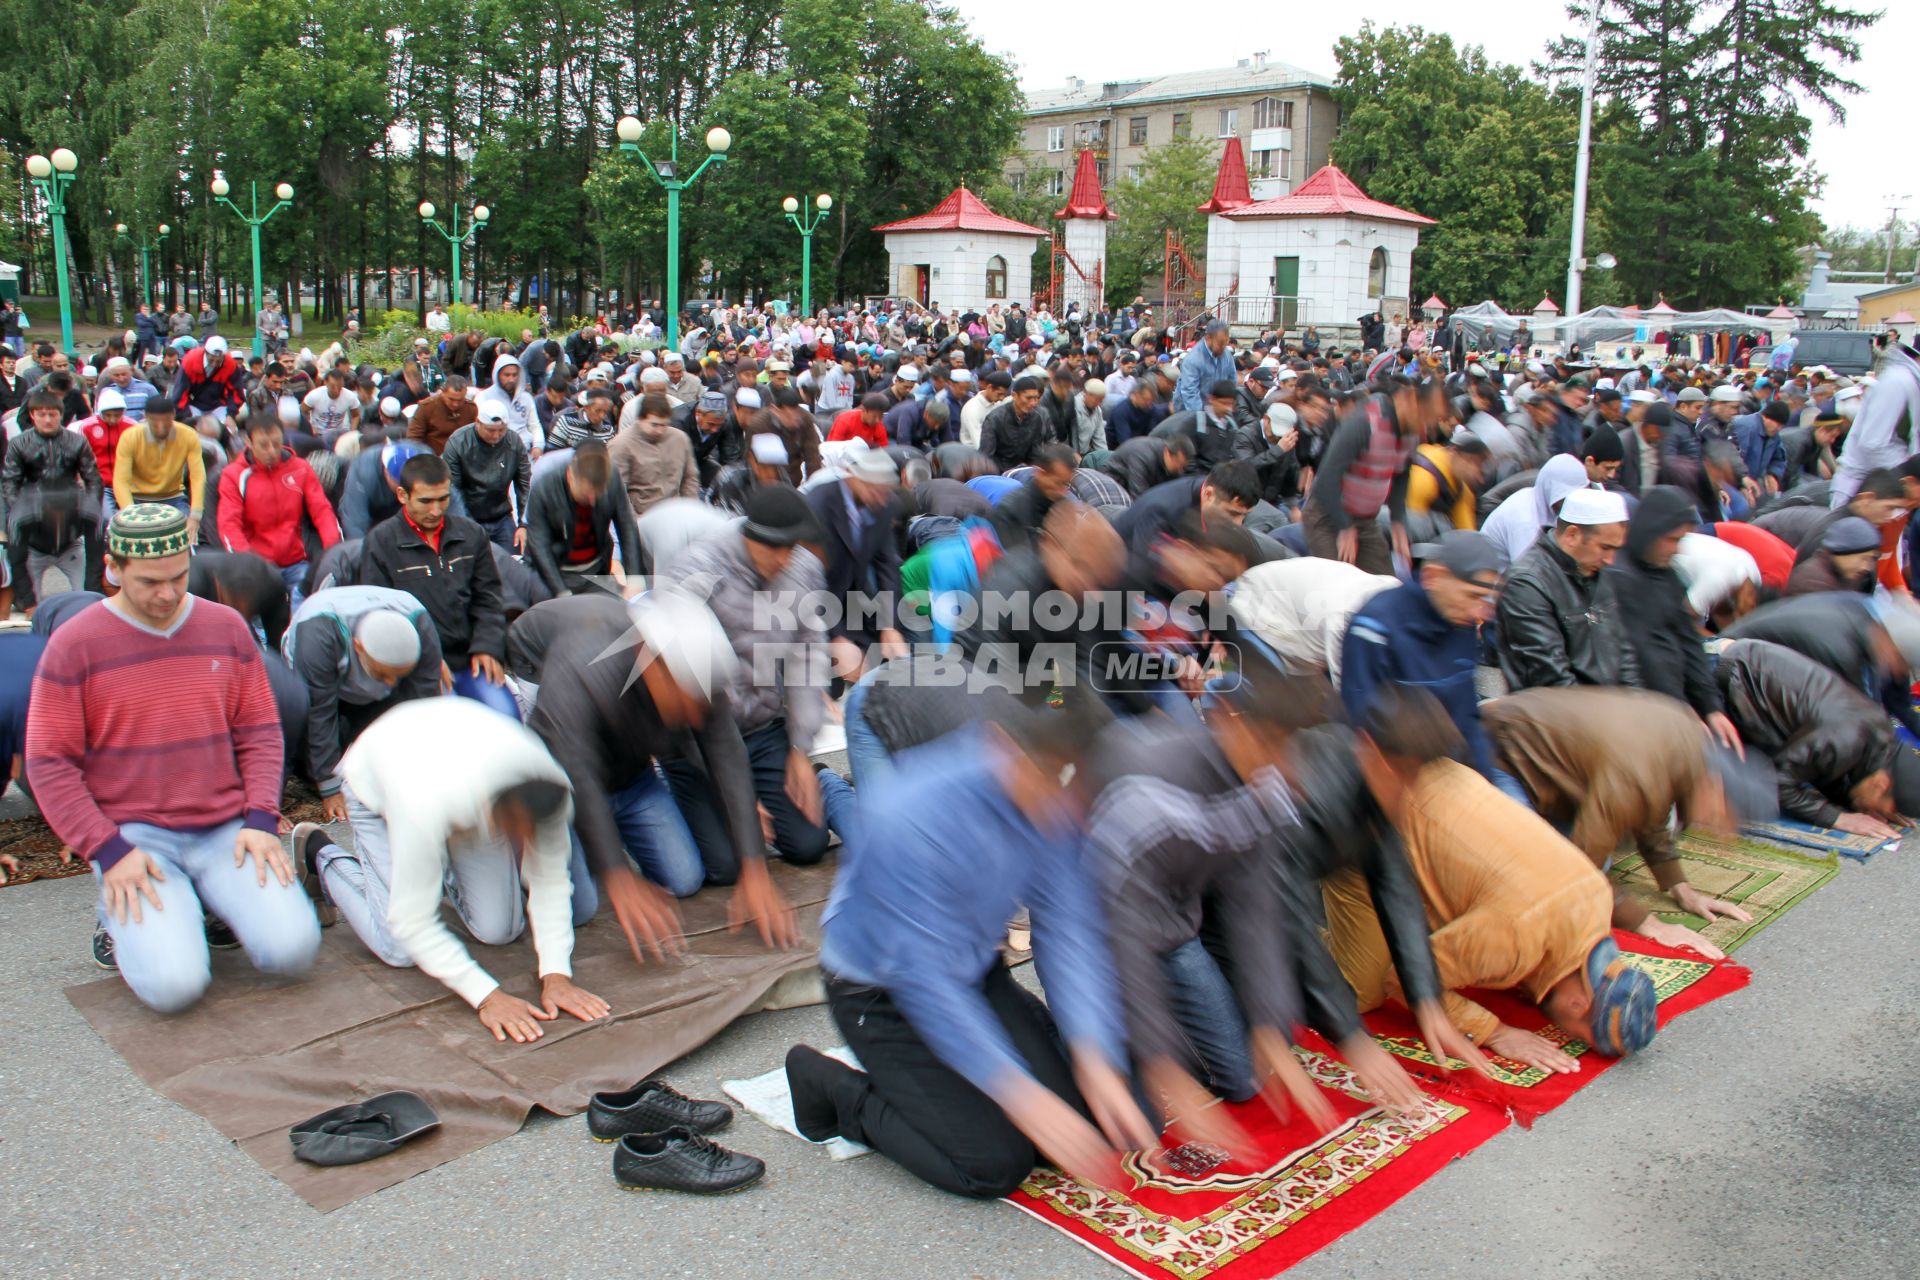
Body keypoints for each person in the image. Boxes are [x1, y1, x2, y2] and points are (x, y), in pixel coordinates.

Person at [784, 697, 1157, 1199]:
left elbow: (1070, 927)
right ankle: (833, 1088)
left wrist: (1092, 1050)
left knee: (1084, 1122)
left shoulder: (1054, 796)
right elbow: (925, 982)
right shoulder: (910, 814)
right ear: (1003, 746)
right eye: (1050, 780)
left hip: (974, 969)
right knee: (993, 1164)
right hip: (881, 991)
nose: (1061, 808)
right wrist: (1017, 1092)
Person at [25, 504, 320, 1010]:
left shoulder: (225, 627)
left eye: (178, 577)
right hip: (133, 835)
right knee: (173, 988)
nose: (166, 594)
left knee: (293, 951)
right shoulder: (75, 644)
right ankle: (124, 921)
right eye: (149, 582)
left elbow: (260, 731)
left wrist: (259, 816)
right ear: (113, 569)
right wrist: (106, 849)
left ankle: (203, 901)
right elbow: (49, 762)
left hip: (224, 826)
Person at [1323, 689, 1658, 1073]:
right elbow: (1406, 979)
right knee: (1362, 993)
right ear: (1578, 1006)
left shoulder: (1597, 897)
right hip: (1381, 812)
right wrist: (1494, 1031)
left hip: (1443, 777)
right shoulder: (1514, 937)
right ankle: (1303, 940)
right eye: (1577, 1034)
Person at [1080, 685, 1334, 1143]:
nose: (1277, 761)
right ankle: (1081, 1033)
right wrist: (1159, 1058)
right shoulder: (1149, 780)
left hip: (1175, 932)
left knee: (1244, 1075)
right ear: (1228, 719)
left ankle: (1134, 1035)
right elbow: (1125, 927)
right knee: (1139, 1121)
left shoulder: (1266, 786)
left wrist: (1267, 1024)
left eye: (1287, 748)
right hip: (1092, 935)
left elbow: (1255, 911)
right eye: (1269, 742)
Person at [301, 698, 607, 1043]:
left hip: (460, 766)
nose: (525, 846)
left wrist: (556, 975)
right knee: (399, 948)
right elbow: (411, 921)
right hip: (379, 777)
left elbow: (550, 880)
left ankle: (432, 867)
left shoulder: (550, 787)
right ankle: (322, 856)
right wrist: (487, 997)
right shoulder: (425, 804)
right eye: (519, 835)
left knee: (500, 929)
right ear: (501, 818)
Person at [525, 591, 798, 953]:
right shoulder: (582, 673)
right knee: (580, 908)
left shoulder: (696, 678)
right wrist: (618, 875)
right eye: (689, 701)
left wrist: (754, 867)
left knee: (685, 879)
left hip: (628, 772)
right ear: (651, 665)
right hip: (559, 774)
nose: (697, 717)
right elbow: (579, 774)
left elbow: (727, 756)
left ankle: (623, 819)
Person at [659, 487, 853, 877]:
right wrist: (735, 796)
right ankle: (668, 797)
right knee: (727, 866)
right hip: (702, 740)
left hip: (762, 728)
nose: (785, 560)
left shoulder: (802, 570)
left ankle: (821, 778)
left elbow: (806, 660)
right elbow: (679, 690)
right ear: (749, 536)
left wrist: (799, 749)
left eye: (792, 548)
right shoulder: (696, 571)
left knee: (808, 844)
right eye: (775, 549)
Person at [1481, 688, 1751, 960]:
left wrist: (1680, 887)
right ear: (1714, 789)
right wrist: (1648, 924)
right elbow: (1581, 865)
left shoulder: (1688, 750)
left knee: (1593, 864)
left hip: (1547, 755)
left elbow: (1652, 808)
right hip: (1499, 750)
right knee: (1543, 879)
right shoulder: (1640, 774)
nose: (1719, 831)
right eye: (1721, 820)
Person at [360, 452, 515, 720]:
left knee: (506, 719)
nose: (435, 510)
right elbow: (382, 615)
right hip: (416, 666)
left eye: (443, 499)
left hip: (470, 658)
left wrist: (488, 646)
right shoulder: (381, 542)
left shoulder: (470, 534)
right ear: (402, 495)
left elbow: (488, 596)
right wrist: (424, 660)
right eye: (425, 501)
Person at [1341, 531, 1505, 778]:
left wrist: (1486, 781)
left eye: (1484, 599)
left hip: (1453, 768)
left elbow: (1467, 716)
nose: (1478, 612)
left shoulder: (1461, 621)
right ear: (1433, 576)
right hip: (1395, 775)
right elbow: (1363, 726)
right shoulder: (1375, 627)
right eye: (1472, 595)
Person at [1714, 639, 1908, 840]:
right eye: (1881, 806)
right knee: (1743, 789)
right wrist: (1837, 818)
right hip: (1726, 674)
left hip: (1750, 664)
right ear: (1882, 784)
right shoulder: (1841, 739)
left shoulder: (1880, 735)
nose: (1877, 813)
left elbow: (1828, 769)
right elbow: (1777, 779)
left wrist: (1856, 803)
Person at [282, 585, 443, 820]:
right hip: (322, 685)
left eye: (398, 675)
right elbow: (320, 713)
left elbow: (425, 703)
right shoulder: (318, 635)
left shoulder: (420, 623)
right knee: (331, 748)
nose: (389, 682)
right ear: (359, 647)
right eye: (383, 674)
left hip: (366, 677)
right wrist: (330, 788)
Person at [1610, 486, 1741, 749]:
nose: (1677, 549)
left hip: (1673, 702)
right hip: (1640, 708)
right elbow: (1646, 654)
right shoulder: (1620, 578)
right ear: (1651, 533)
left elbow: (1688, 641)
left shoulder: (1665, 575)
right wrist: (1680, 711)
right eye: (1672, 540)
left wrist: (1710, 706)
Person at [1496, 486, 1642, 691]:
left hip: (1608, 711)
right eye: (1605, 548)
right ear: (1572, 535)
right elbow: (1551, 677)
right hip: (1555, 717)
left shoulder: (1595, 570)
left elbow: (1624, 653)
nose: (1610, 560)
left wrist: (1637, 707)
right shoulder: (1527, 584)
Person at [214, 415, 340, 611]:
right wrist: (249, 564)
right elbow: (229, 525)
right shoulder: (235, 475)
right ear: (249, 442)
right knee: (257, 618)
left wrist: (332, 551)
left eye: (276, 443)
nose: (272, 451)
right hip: (257, 565)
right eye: (264, 445)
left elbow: (322, 511)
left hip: (296, 560)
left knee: (310, 609)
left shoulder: (300, 468)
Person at [1300, 375, 1424, 574]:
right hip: (1328, 515)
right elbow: (1327, 478)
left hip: (1365, 519)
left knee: (1384, 583)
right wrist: (1345, 527)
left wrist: (1398, 521)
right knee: (1339, 580)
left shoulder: (1411, 433)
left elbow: (1401, 477)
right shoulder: (1365, 422)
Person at [806, 448, 906, 673]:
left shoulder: (884, 505)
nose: (881, 499)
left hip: (854, 597)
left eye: (886, 492)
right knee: (831, 671)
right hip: (813, 601)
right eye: (875, 491)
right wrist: (836, 636)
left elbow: (887, 564)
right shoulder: (818, 505)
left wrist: (890, 625)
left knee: (884, 661)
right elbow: (809, 578)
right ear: (852, 477)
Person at [4, 388, 104, 600]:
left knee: (89, 598)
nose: (48, 420)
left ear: (61, 414)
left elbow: (93, 479)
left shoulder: (77, 442)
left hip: (70, 523)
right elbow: (10, 483)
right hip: (34, 526)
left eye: (53, 414)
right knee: (29, 604)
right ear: (32, 415)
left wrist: (88, 506)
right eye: (42, 414)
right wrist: (25, 511)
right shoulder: (19, 444)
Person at [525, 439, 643, 595]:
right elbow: (539, 545)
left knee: (618, 610)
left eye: (598, 494)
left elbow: (626, 525)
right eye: (586, 494)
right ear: (570, 477)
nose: (593, 500)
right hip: (554, 571)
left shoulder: (612, 478)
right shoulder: (544, 488)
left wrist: (634, 576)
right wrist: (560, 591)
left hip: (594, 570)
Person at [442, 402, 531, 552]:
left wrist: (524, 524)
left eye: (501, 430)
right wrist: (466, 527)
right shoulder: (458, 442)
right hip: (469, 516)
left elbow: (525, 485)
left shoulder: (513, 442)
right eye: (490, 430)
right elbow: (453, 491)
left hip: (502, 516)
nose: (496, 436)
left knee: (516, 560)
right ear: (478, 423)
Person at [111, 398, 205, 536]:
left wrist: (195, 515)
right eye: (155, 422)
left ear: (173, 415)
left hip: (173, 496)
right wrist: (130, 512)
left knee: (187, 535)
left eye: (166, 421)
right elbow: (120, 480)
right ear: (146, 418)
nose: (161, 427)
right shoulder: (130, 437)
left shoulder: (188, 435)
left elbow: (198, 476)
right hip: (137, 498)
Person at [609, 391, 699, 519]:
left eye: (664, 425)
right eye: (654, 425)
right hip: (642, 517)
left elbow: (690, 478)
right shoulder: (620, 445)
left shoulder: (680, 439)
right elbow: (618, 491)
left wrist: (690, 513)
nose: (660, 430)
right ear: (640, 419)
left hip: (675, 515)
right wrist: (634, 524)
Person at [1786, 514, 1880, 596]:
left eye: (1871, 559)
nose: (1867, 567)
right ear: (1843, 551)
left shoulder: (1848, 573)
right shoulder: (1811, 583)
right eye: (1863, 558)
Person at [978, 375, 1056, 473]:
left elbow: (1035, 453)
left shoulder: (1036, 418)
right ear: (1014, 395)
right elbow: (986, 457)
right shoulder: (995, 419)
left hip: (1023, 472)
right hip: (999, 474)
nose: (1033, 403)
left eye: (1036, 398)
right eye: (1028, 398)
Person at [476, 353, 542, 455]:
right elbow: (477, 429)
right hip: (495, 452)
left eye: (514, 375)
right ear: (497, 375)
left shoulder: (526, 398)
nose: (511, 379)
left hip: (524, 450)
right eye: (506, 375)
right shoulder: (483, 397)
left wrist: (538, 446)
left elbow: (535, 426)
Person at [1172, 321, 1236, 412]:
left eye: (1226, 343)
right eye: (1220, 343)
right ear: (1208, 338)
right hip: (1189, 413)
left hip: (1215, 409)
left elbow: (1232, 380)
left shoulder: (1226, 354)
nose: (1223, 347)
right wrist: (1203, 418)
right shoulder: (1193, 359)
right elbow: (1190, 393)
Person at [406, 374, 478, 454]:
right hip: (434, 459)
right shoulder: (427, 407)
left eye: (460, 400)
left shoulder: (471, 408)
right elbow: (414, 437)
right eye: (451, 399)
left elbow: (476, 436)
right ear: (443, 393)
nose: (455, 404)